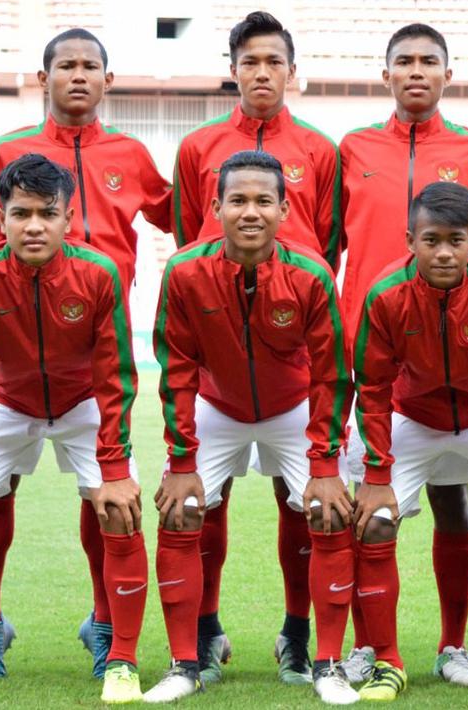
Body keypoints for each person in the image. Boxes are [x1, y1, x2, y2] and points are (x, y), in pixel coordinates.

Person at [0, 28, 171, 681]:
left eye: (90, 65)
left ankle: (104, 623)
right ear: (43, 77)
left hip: (95, 358)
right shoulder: (7, 152)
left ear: (108, 79)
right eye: (66, 65)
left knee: (104, 498)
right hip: (16, 364)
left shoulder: (130, 153)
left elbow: (184, 220)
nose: (78, 75)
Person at [0, 154, 145, 704]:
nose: (34, 226)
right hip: (7, 401)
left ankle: (118, 654)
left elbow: (115, 375)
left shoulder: (98, 274)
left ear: (69, 217)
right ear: (1, 218)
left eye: (48, 213)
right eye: (21, 213)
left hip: (82, 401)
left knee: (120, 510)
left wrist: (115, 467)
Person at [169, 10, 343, 686]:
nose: (262, 72)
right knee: (201, 503)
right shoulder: (197, 147)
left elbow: (325, 247)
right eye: (250, 61)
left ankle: (297, 636)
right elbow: (191, 238)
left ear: (291, 71)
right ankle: (205, 631)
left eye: (274, 61)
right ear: (233, 69)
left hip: (290, 362)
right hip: (219, 367)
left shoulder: (320, 150)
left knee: (299, 503)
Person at [144, 151, 354, 704]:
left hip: (292, 408)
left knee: (329, 512)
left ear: (285, 210)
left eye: (264, 201)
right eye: (237, 200)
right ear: (215, 208)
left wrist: (326, 464)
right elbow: (176, 369)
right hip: (217, 406)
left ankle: (320, 658)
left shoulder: (311, 273)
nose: (250, 212)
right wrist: (182, 461)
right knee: (182, 509)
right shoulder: (184, 271)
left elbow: (333, 373)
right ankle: (186, 660)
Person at [337, 22, 468, 685]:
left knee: (452, 502)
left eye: (427, 61)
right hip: (372, 359)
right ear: (385, 74)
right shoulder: (352, 148)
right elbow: (327, 242)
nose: (415, 70)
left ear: (447, 73)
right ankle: (365, 644)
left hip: (460, 358)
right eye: (403, 61)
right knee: (367, 504)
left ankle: (453, 646)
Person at [348, 181, 468, 704]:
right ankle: (385, 660)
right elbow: (373, 388)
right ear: (410, 239)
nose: (443, 253)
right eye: (430, 239)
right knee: (374, 519)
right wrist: (377, 475)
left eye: (456, 240)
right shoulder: (385, 293)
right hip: (411, 416)